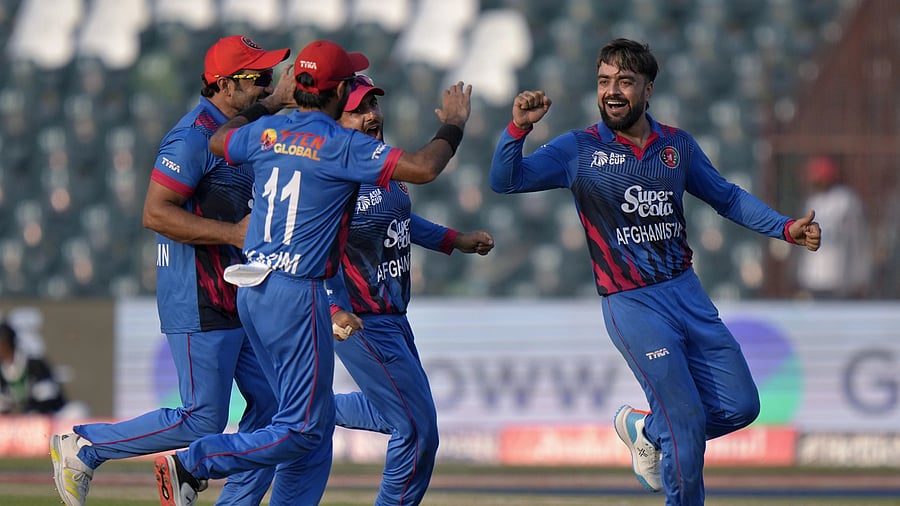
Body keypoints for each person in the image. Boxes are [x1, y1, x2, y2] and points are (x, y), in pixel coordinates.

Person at [488, 38, 821, 506]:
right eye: (604, 81)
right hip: (632, 302)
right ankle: (671, 446)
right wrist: (516, 130)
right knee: (685, 423)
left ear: (648, 89)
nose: (612, 91)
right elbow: (506, 181)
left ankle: (648, 428)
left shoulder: (676, 146)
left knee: (742, 406)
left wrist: (784, 228)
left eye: (625, 81)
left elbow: (726, 197)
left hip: (687, 293)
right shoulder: (578, 149)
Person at [151, 39, 472, 506]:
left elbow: (219, 140)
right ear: (339, 90)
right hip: (296, 293)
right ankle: (196, 461)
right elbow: (424, 167)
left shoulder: (270, 133)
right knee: (302, 429)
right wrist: (455, 124)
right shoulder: (339, 146)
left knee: (309, 428)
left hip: (254, 286)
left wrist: (269, 103)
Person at [49, 35, 291, 506]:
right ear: (223, 84)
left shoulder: (238, 131)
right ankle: (84, 446)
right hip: (197, 295)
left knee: (274, 406)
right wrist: (235, 235)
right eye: (257, 78)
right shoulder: (193, 137)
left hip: (236, 292)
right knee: (203, 418)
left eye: (268, 77)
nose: (267, 85)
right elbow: (155, 214)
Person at [328, 74, 494, 505]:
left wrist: (453, 240)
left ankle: (300, 408)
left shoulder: (381, 168)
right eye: (360, 109)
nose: (372, 116)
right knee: (417, 431)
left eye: (374, 107)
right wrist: (332, 310)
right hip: (361, 321)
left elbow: (399, 220)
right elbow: (314, 249)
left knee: (400, 416)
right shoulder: (334, 176)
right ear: (334, 119)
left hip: (394, 318)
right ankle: (296, 410)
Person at [795, 155, 870, 299]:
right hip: (812, 276)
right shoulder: (810, 201)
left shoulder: (846, 201)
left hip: (839, 277)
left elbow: (858, 241)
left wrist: (859, 276)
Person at [0, 320, 67, 415]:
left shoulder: (35, 364)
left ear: (6, 343)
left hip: (51, 415)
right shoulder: (3, 370)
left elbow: (47, 397)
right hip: (23, 420)